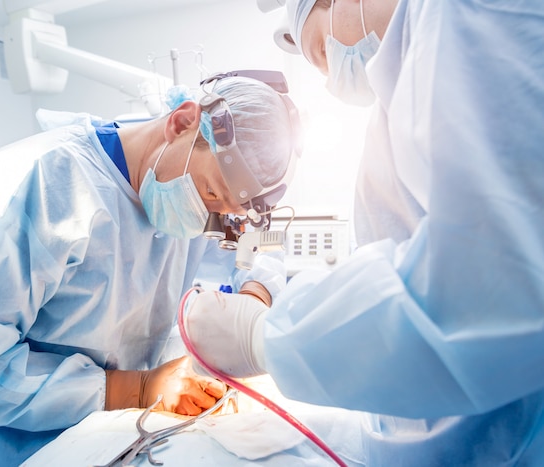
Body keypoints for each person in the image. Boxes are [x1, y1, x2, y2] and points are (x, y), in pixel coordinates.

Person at [183, 0, 544, 465]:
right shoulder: (412, 75)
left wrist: (264, 335)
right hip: (454, 421)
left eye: (318, 51)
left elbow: (491, 287)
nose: (332, 80)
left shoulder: (464, 16)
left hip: (499, 434)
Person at [0, 71, 301, 466]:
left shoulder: (189, 189)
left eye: (225, 211)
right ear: (182, 122)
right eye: (210, 195)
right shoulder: (33, 188)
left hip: (108, 437)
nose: (210, 218)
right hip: (2, 448)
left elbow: (260, 243)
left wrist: (254, 299)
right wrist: (133, 389)